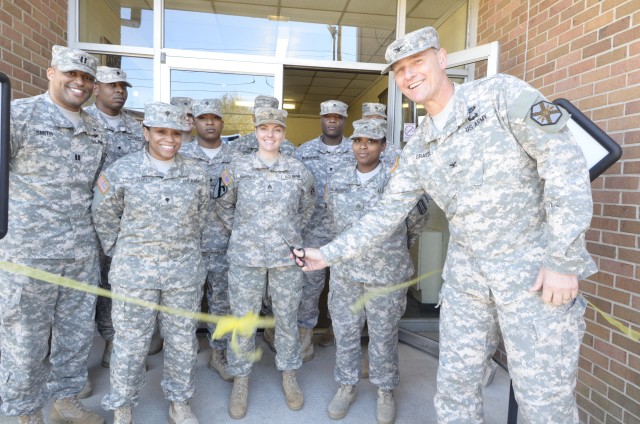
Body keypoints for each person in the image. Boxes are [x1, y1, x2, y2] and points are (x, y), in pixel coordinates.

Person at [298, 26, 596, 423]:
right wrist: (327, 254)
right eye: (400, 70)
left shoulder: (500, 96)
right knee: (455, 392)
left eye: (417, 62)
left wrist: (563, 260)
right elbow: (386, 213)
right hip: (467, 281)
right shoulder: (419, 146)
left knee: (544, 405)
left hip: (534, 275)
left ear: (441, 59)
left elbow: (565, 168)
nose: (409, 75)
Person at [0, 45, 106, 424]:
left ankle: (66, 400)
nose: (79, 82)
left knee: (76, 335)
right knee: (24, 339)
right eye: (71, 74)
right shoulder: (17, 115)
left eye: (87, 77)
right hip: (29, 253)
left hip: (80, 252)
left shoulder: (96, 129)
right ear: (51, 73)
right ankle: (25, 413)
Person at [92, 102, 209, 424]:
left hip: (183, 272)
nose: (169, 139)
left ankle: (180, 402)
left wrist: (180, 247)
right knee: (130, 343)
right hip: (135, 272)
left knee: (183, 340)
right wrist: (122, 250)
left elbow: (201, 216)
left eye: (175, 133)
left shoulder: (196, 173)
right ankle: (123, 405)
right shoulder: (121, 171)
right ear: (146, 132)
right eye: (161, 131)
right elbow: (103, 214)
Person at [325, 118, 428, 424]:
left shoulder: (398, 180)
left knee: (383, 335)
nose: (363, 146)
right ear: (351, 144)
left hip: (386, 273)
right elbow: (333, 218)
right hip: (346, 274)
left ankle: (385, 390)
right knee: (345, 333)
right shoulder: (339, 178)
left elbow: (417, 221)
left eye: (371, 141)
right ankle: (346, 386)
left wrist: (394, 249)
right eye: (358, 141)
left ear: (383, 147)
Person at [214, 107, 315, 419]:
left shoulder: (299, 171)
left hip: (286, 259)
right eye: (264, 129)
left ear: (284, 134)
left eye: (276, 130)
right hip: (247, 257)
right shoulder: (237, 168)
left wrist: (286, 235)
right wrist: (246, 233)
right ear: (255, 131)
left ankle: (288, 376)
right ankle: (241, 380)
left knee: (286, 318)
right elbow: (222, 205)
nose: (270, 135)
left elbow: (307, 208)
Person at [84, 66, 147, 369]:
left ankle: (113, 342)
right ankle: (75, 363)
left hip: (125, 222)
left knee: (116, 285)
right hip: (82, 221)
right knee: (84, 287)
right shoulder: (81, 121)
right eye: (112, 85)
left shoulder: (137, 128)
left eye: (123, 85)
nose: (119, 90)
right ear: (96, 88)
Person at [179, 98, 235, 382]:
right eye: (203, 118)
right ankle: (182, 357)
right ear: (195, 122)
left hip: (225, 245)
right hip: (189, 245)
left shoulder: (236, 157)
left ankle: (218, 353)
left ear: (222, 123)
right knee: (184, 305)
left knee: (221, 303)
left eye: (215, 117)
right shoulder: (181, 155)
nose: (209, 122)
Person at [293, 100, 353, 361]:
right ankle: (305, 338)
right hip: (312, 231)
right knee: (309, 288)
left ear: (344, 120)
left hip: (346, 233)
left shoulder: (357, 149)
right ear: (320, 118)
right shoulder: (304, 152)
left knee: (346, 289)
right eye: (327, 115)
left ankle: (336, 333)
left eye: (338, 117)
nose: (332, 120)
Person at [231, 95, 297, 156]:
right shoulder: (239, 144)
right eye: (261, 115)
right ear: (253, 117)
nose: (266, 118)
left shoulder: (289, 148)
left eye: (270, 115)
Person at [361, 102, 402, 168]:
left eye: (379, 118)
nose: (374, 122)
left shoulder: (395, 151)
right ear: (362, 119)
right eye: (369, 117)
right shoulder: (348, 148)